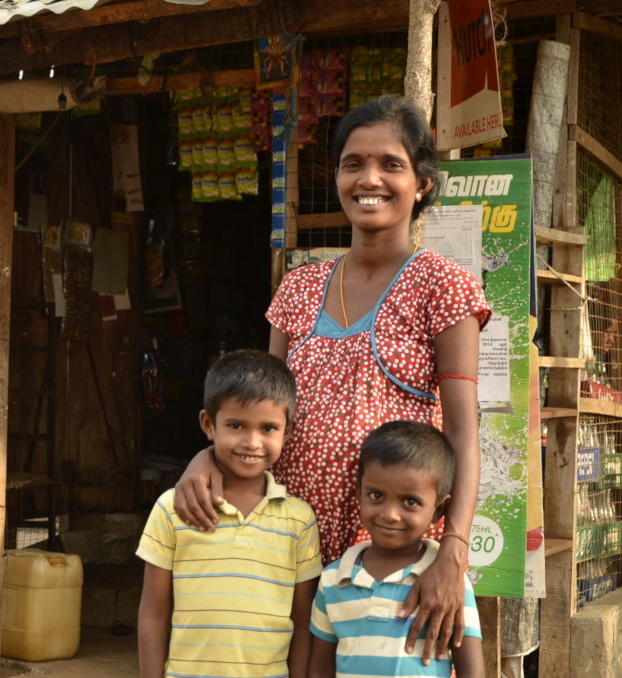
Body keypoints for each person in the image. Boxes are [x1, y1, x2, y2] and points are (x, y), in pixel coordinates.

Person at [173, 95, 491, 663]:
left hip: (393, 552)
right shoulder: (297, 289)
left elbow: (465, 433)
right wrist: (205, 458)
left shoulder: (442, 286)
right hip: (290, 544)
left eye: (390, 164)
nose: (370, 179)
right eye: (353, 163)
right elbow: (259, 409)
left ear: (421, 183)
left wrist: (453, 554)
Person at [137, 350, 322, 678]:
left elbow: (303, 622)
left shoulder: (298, 519)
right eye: (236, 425)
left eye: (268, 428)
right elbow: (153, 614)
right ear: (209, 425)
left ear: (288, 432)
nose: (252, 442)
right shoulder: (173, 509)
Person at [308, 421, 483, 678]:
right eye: (376, 496)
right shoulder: (333, 580)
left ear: (437, 511)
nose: (390, 515)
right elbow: (321, 666)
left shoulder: (447, 583)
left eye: (410, 502)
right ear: (359, 494)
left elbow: (471, 667)